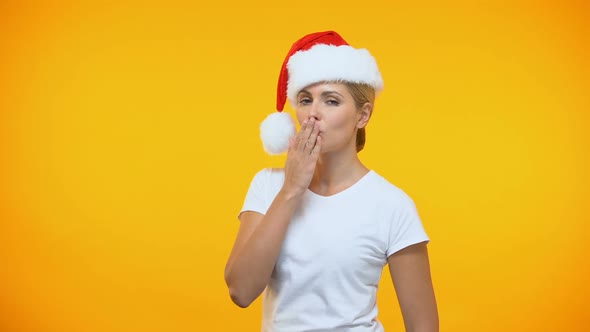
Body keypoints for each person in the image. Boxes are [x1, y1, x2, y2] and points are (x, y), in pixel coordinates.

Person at [224, 31, 438, 332]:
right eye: (305, 99)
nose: (313, 113)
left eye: (331, 101)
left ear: (362, 115)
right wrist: (292, 190)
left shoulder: (392, 205)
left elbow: (423, 326)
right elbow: (241, 291)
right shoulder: (268, 185)